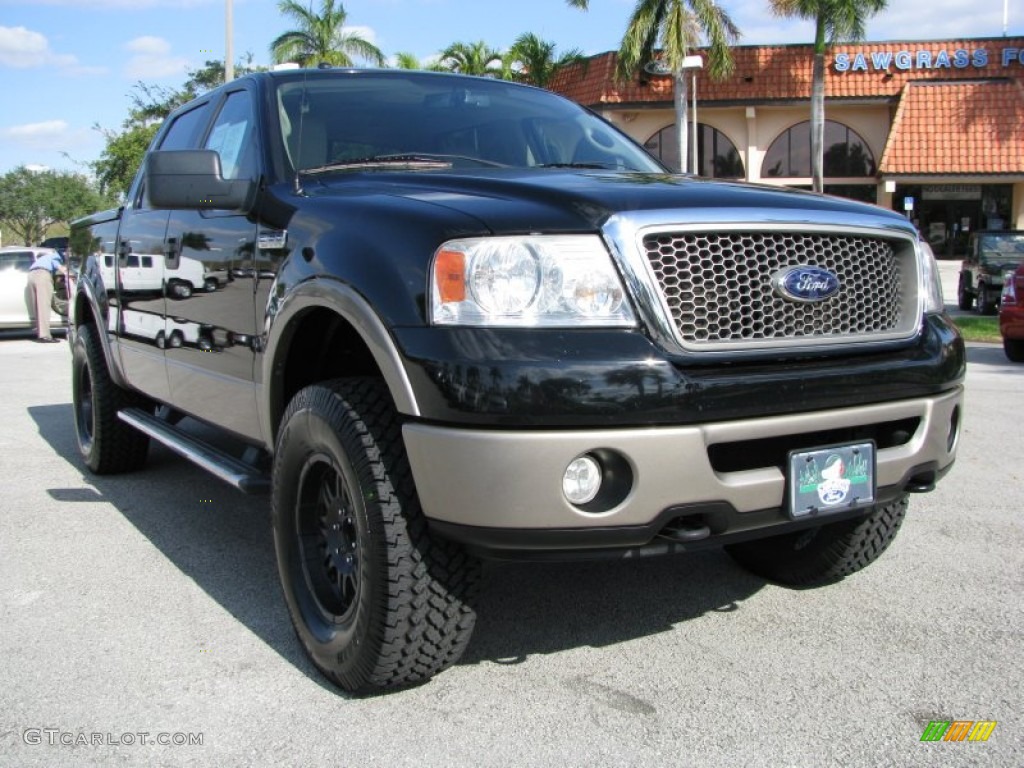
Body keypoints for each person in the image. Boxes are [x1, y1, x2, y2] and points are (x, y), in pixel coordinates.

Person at [26, 248, 67, 343]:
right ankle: (45, 336)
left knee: (37, 306)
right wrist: (69, 273)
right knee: (44, 306)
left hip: (31, 276)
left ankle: (40, 334)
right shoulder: (55, 257)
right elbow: (59, 267)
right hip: (42, 275)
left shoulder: (42, 259)